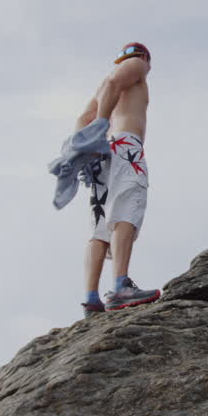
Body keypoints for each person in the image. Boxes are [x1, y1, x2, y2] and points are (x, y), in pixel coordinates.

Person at [74, 42, 160, 317]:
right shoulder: (137, 66)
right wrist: (101, 127)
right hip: (125, 148)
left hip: (104, 154)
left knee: (100, 226)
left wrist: (88, 145)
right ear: (145, 57)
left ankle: (91, 299)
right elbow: (114, 82)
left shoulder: (101, 89)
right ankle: (121, 286)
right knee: (127, 208)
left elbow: (81, 119)